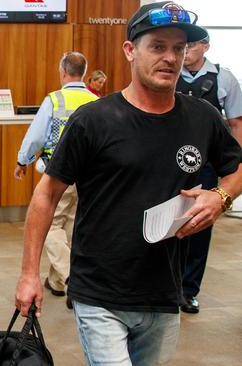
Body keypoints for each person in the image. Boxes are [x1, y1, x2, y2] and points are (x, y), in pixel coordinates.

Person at [14, 2, 242, 365]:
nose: (170, 57)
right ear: (130, 50)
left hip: (165, 292)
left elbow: (236, 168)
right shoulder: (94, 120)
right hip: (100, 292)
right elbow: (46, 195)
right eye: (158, 46)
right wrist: (29, 274)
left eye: (179, 48)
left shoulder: (202, 118)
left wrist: (220, 197)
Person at [13, 52, 98, 309]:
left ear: (63, 70)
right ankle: (57, 282)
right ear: (83, 72)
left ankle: (70, 276)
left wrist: (22, 160)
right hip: (90, 175)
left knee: (50, 226)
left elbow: (36, 136)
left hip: (59, 173)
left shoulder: (56, 98)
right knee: (70, 227)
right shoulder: (96, 100)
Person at [176, 32, 242, 314]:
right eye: (184, 46)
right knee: (168, 222)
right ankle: (167, 285)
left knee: (200, 226)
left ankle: (189, 290)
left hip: (206, 163)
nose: (186, 51)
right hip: (170, 161)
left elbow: (236, 123)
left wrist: (236, 163)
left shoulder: (223, 78)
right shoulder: (171, 72)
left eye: (191, 45)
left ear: (205, 47)